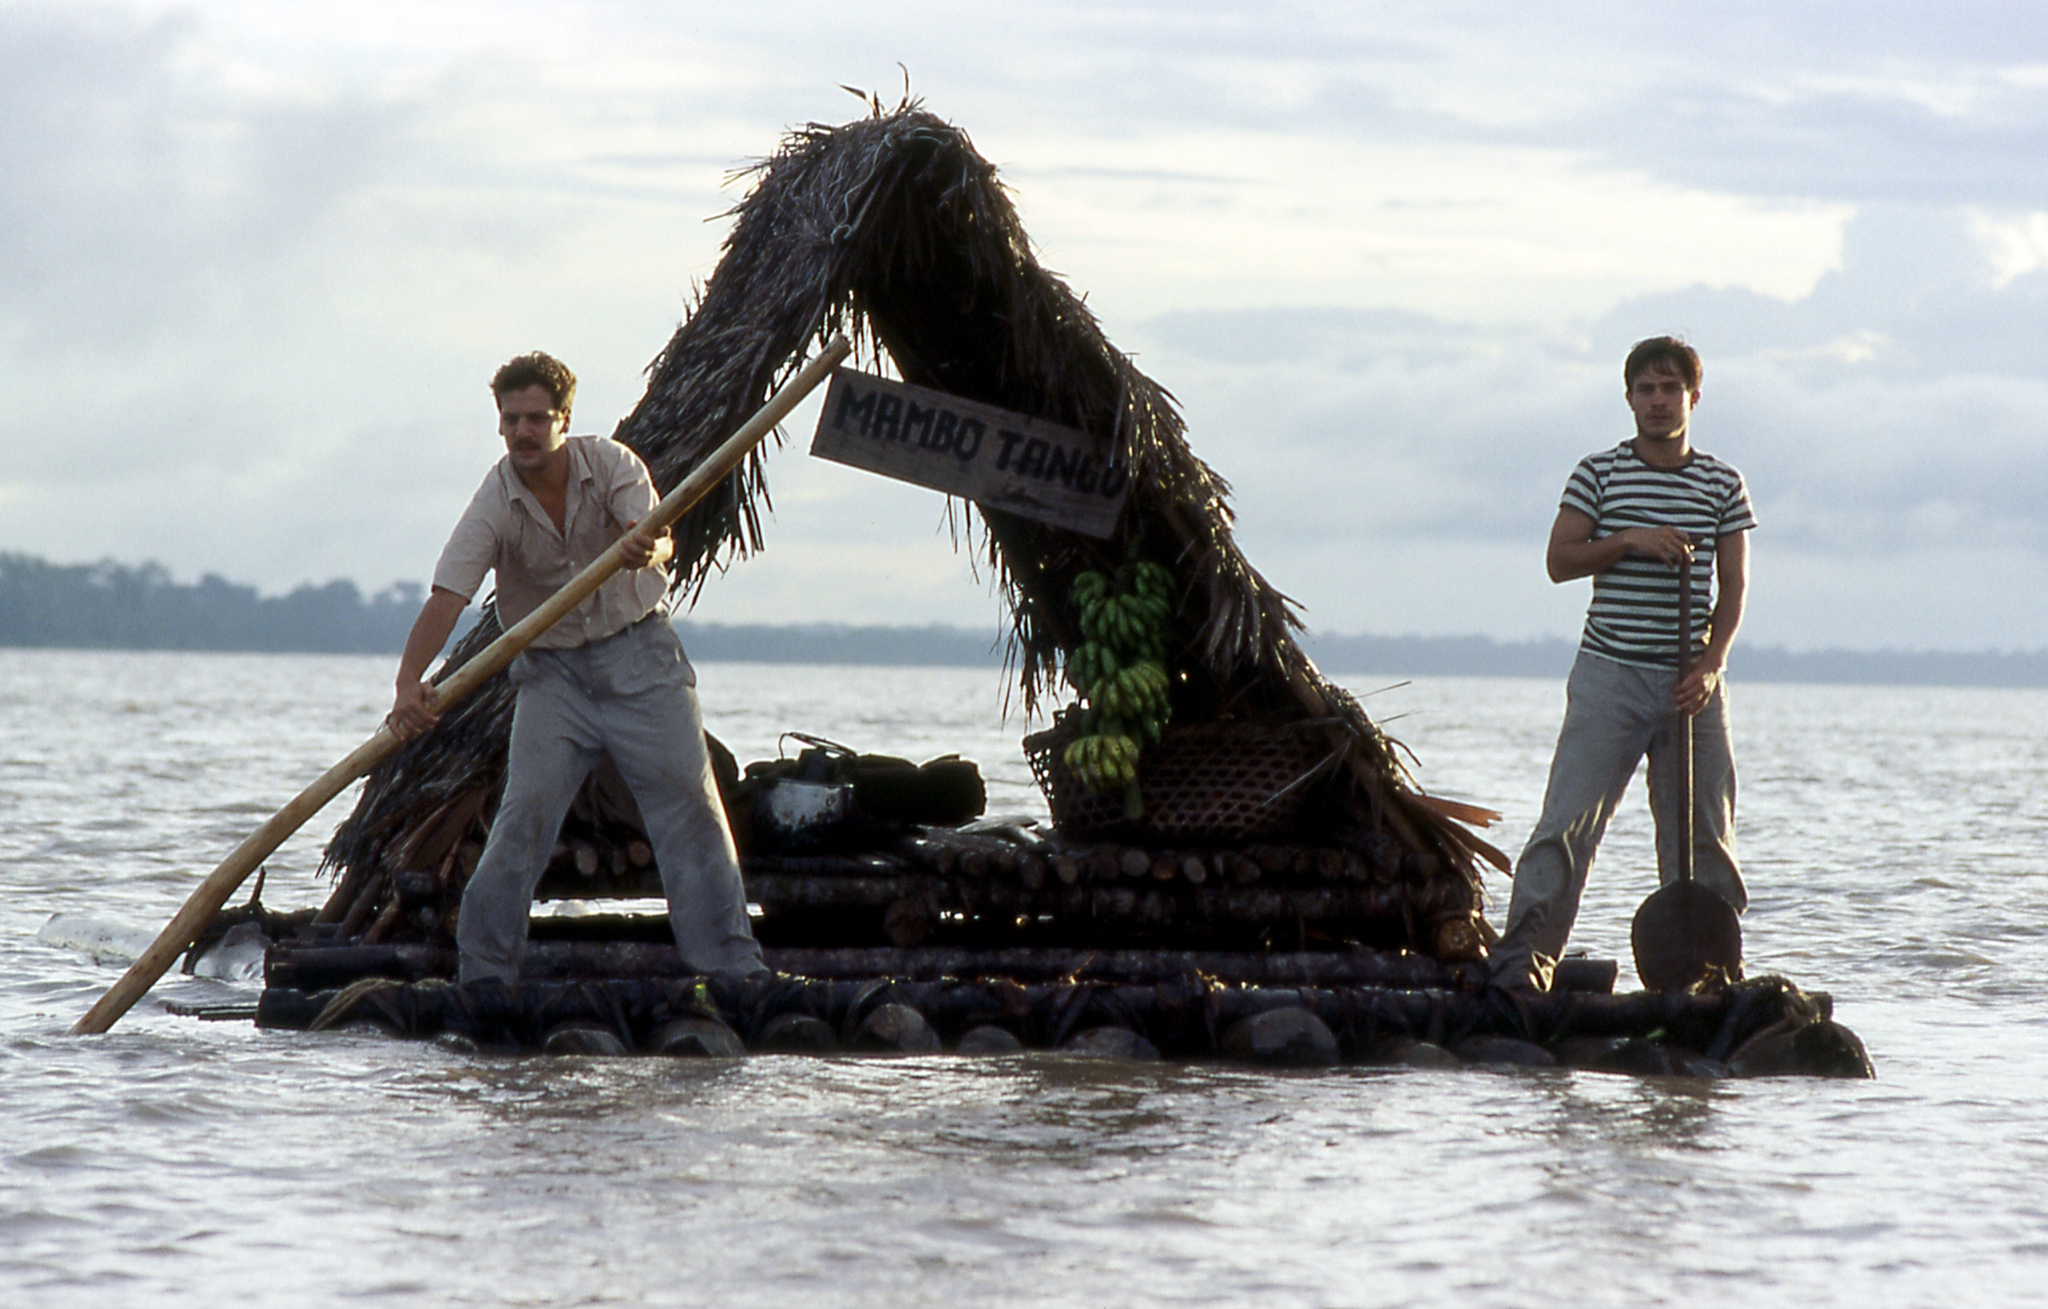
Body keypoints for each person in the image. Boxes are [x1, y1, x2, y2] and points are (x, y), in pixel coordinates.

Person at [388, 351, 766, 985]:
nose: (523, 433)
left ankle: (733, 974)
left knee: (690, 811)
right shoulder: (496, 498)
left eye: (537, 419)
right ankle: (483, 977)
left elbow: (658, 533)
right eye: (511, 421)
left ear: (564, 419)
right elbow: (448, 594)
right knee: (523, 815)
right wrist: (407, 685)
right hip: (553, 676)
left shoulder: (611, 463)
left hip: (640, 658)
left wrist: (649, 544)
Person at [1490, 336, 1755, 993]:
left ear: (1694, 396)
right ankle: (1524, 964)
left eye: (1670, 389)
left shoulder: (1722, 482)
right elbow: (1560, 560)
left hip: (1690, 680)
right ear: (1630, 397)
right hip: (1610, 673)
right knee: (1566, 824)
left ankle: (1710, 973)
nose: (1658, 401)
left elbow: (1734, 588)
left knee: (1704, 838)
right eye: (1646, 389)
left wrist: (1713, 664)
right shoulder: (1599, 473)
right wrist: (1630, 540)